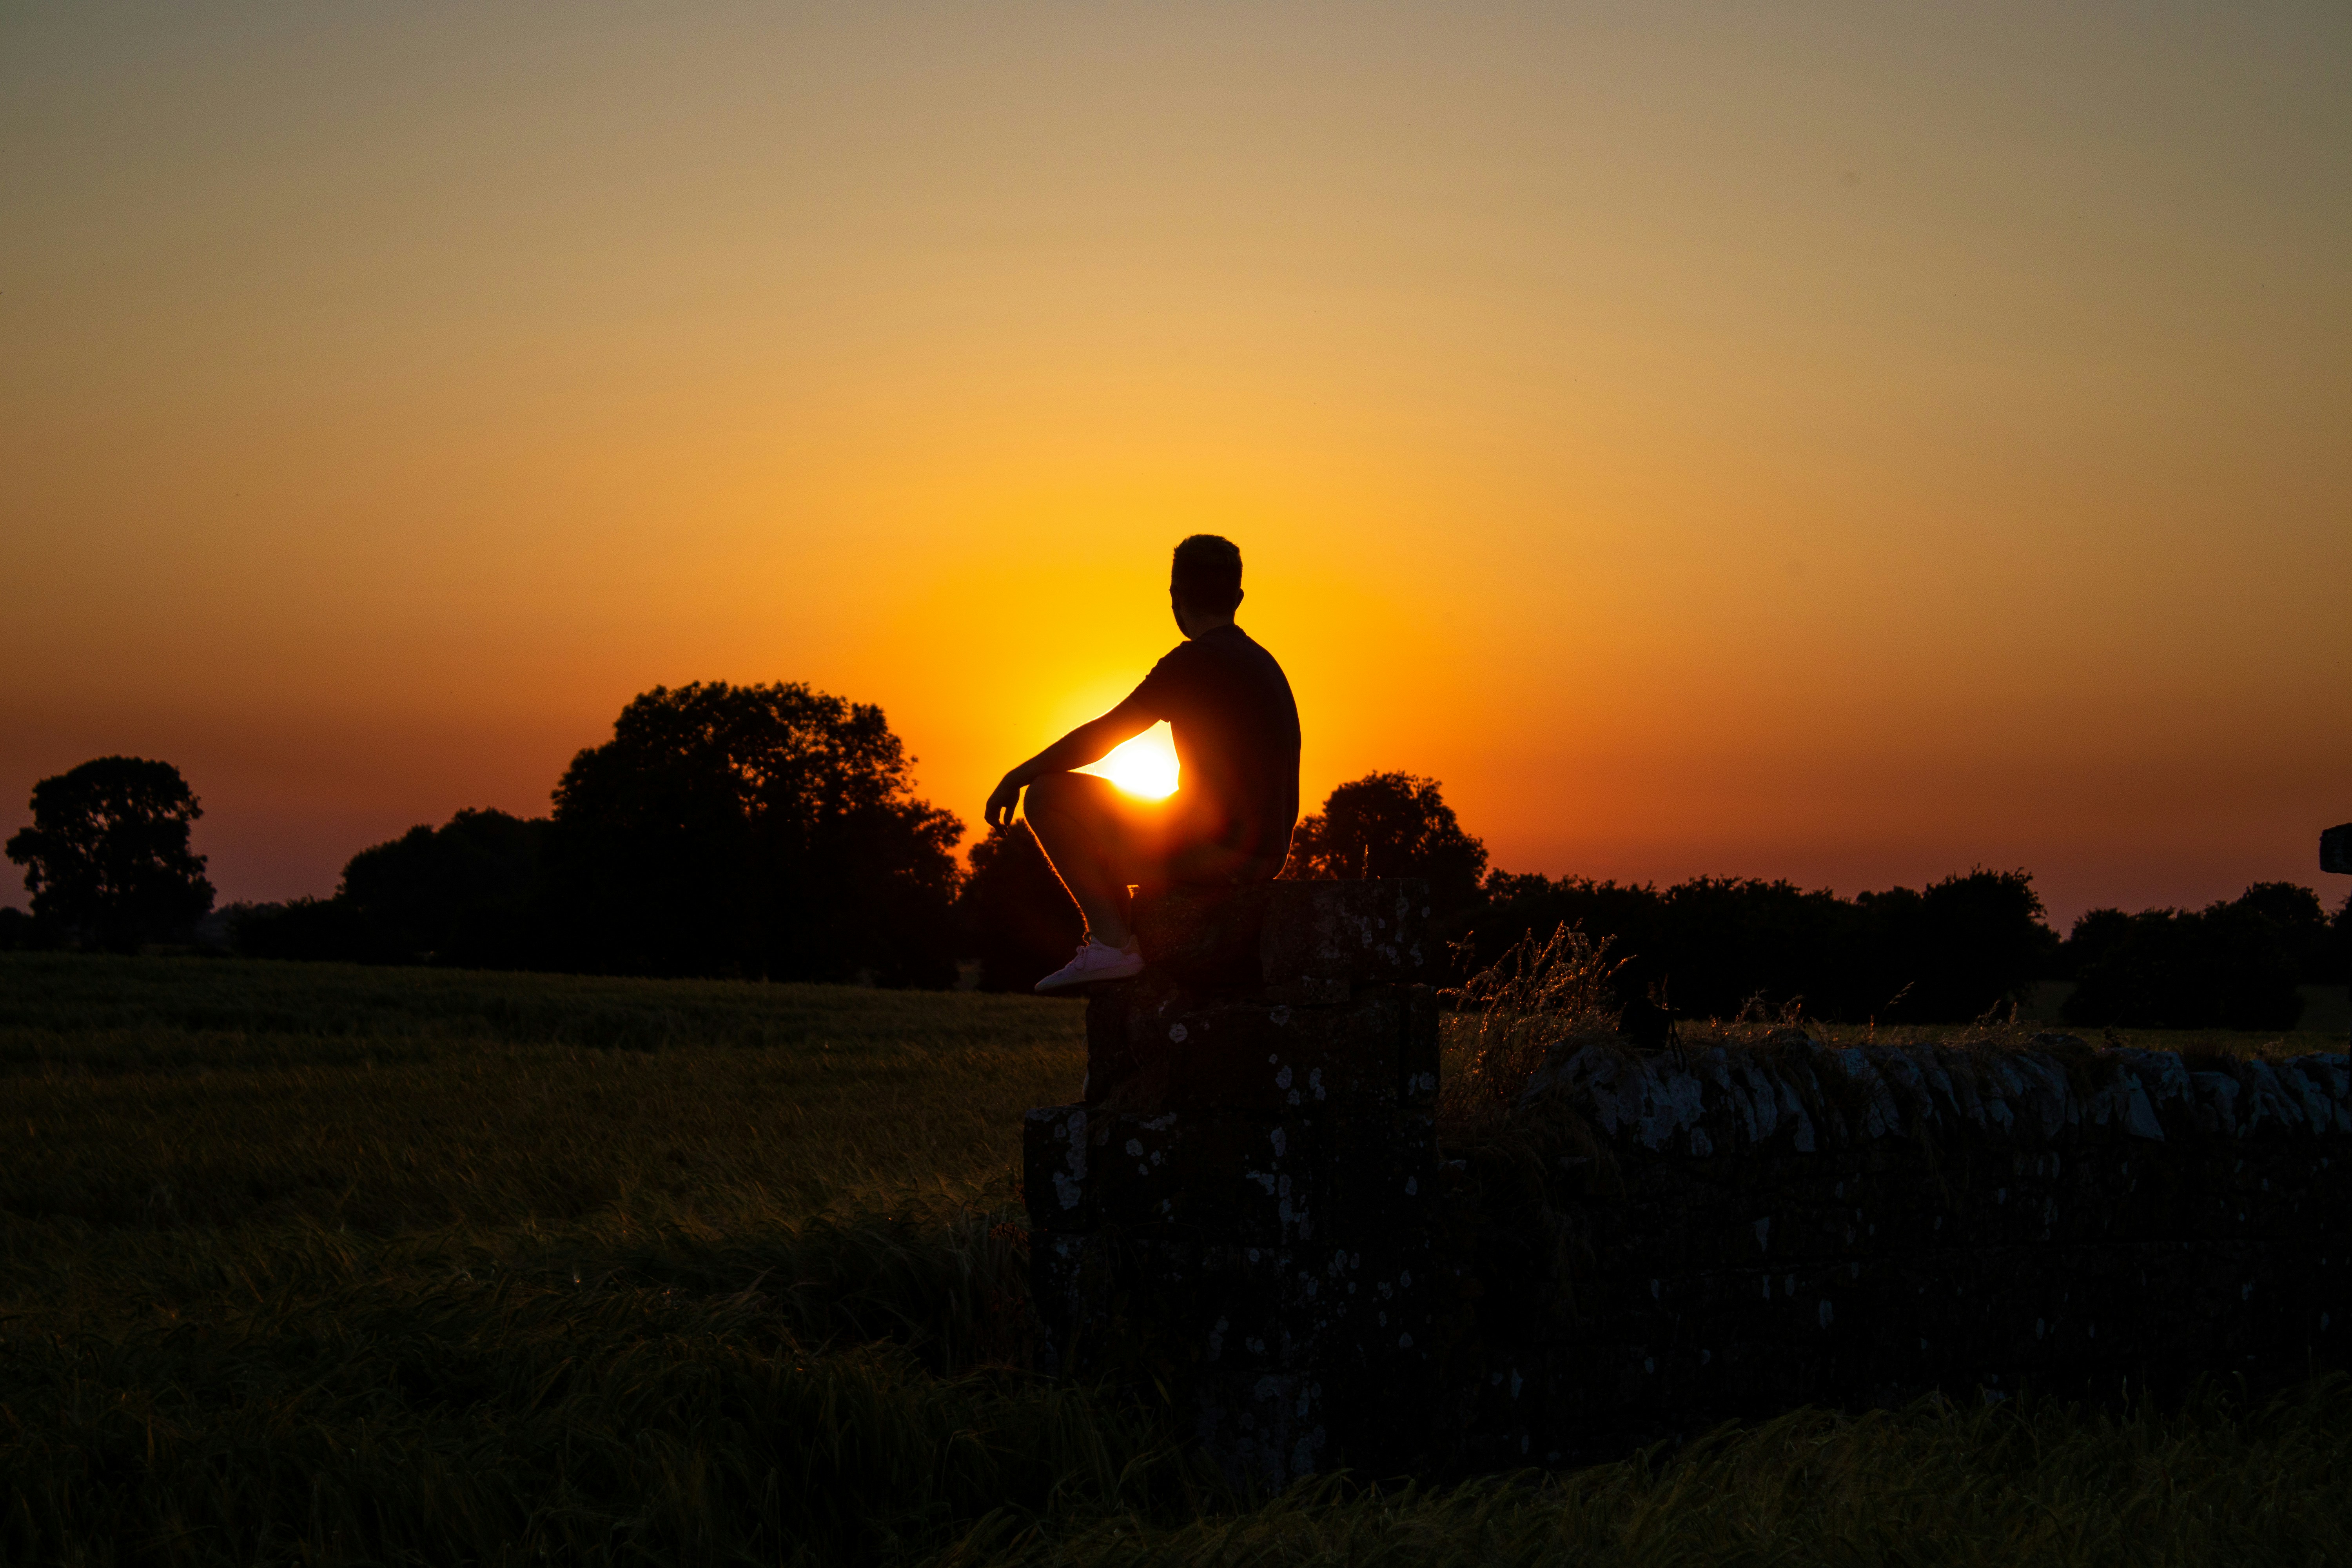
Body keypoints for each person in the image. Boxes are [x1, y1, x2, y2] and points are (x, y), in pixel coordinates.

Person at [986, 535, 1302, 993]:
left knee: (1049, 795)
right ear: (1237, 598)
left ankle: (1113, 945)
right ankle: (1119, 941)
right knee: (1114, 832)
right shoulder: (1264, 663)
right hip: (1265, 854)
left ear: (1175, 598)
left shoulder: (1193, 663)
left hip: (1218, 854)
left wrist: (1019, 774)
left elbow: (1103, 737)